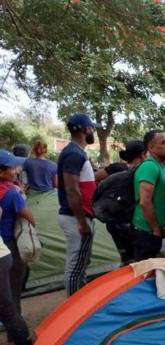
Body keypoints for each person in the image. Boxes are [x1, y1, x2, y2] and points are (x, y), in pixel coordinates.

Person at [57, 113, 98, 296]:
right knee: (75, 266)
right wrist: (81, 222)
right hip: (75, 218)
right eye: (92, 128)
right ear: (86, 129)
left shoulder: (77, 152)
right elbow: (71, 189)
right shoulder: (73, 154)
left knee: (81, 263)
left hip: (81, 216)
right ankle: (74, 306)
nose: (93, 131)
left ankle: (80, 300)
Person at [0, 150, 36, 345]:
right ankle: (14, 340)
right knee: (12, 294)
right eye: (12, 168)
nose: (16, 170)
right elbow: (28, 216)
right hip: (8, 247)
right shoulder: (12, 193)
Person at [101, 140, 147, 265]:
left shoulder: (116, 168)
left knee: (126, 259)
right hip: (132, 224)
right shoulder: (143, 172)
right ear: (143, 154)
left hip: (115, 223)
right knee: (138, 261)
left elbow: (95, 178)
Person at [131, 130, 165, 262]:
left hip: (154, 230)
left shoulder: (160, 166)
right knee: (145, 273)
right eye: (163, 142)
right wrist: (155, 229)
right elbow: (145, 201)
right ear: (150, 147)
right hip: (145, 232)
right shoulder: (149, 166)